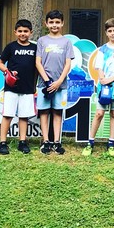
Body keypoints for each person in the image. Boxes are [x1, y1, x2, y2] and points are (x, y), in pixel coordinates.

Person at [84, 17, 114, 157]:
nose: (112, 33)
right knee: (99, 113)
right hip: (104, 87)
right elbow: (98, 67)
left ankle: (111, 143)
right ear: (106, 32)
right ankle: (90, 142)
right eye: (110, 31)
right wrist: (103, 79)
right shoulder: (103, 50)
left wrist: (112, 79)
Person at [35, 9, 74, 155]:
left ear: (62, 23)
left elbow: (68, 63)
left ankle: (57, 141)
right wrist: (47, 81)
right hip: (43, 84)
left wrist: (58, 81)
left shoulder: (66, 42)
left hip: (61, 85)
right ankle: (46, 141)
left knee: (57, 112)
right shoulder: (42, 41)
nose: (54, 25)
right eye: (51, 22)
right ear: (46, 23)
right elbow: (38, 62)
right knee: (44, 112)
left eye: (57, 22)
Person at [0, 19, 38, 155]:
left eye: (25, 31)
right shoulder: (10, 47)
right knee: (7, 114)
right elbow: (0, 63)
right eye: (20, 31)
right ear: (15, 32)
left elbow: (38, 66)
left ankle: (22, 142)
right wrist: (7, 72)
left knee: (24, 116)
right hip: (11, 87)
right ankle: (2, 142)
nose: (23, 34)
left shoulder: (34, 48)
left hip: (28, 88)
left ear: (31, 32)